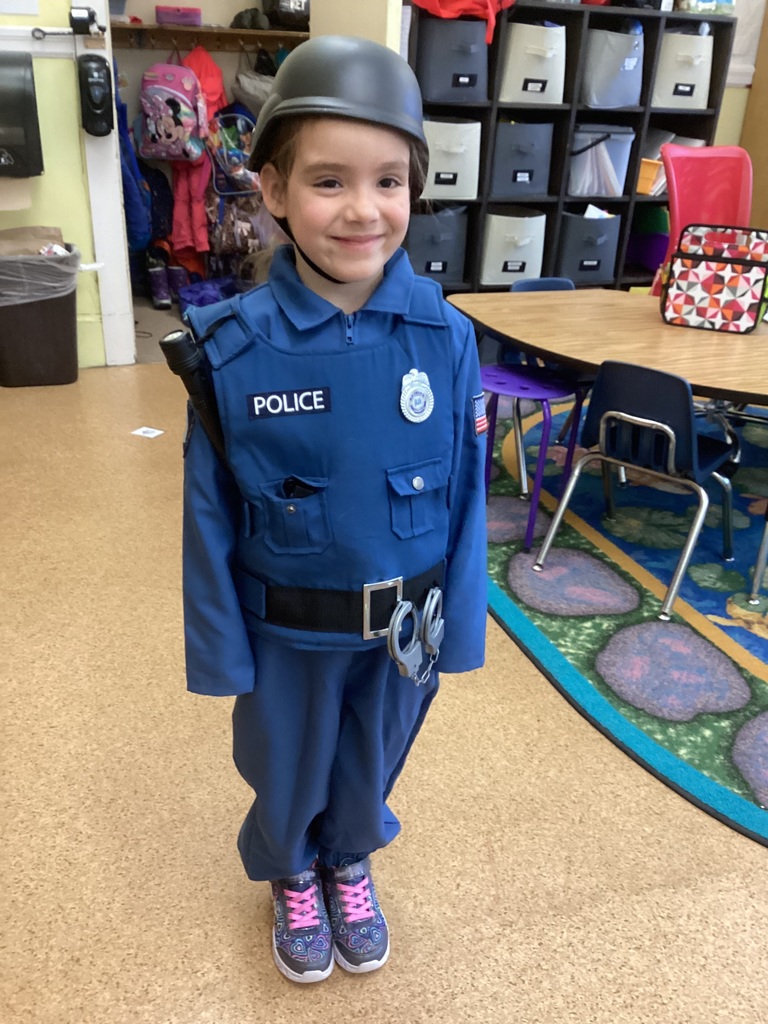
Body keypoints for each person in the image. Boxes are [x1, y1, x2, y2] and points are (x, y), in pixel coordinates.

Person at [179, 35, 487, 985]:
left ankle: (348, 855)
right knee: (288, 764)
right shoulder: (232, 350)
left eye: (388, 181)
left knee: (372, 758)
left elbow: (471, 495)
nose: (363, 210)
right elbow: (208, 513)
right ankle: (287, 872)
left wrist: (462, 630)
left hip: (405, 627)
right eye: (327, 182)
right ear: (272, 191)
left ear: (412, 189)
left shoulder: (445, 335)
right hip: (287, 634)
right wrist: (222, 654)